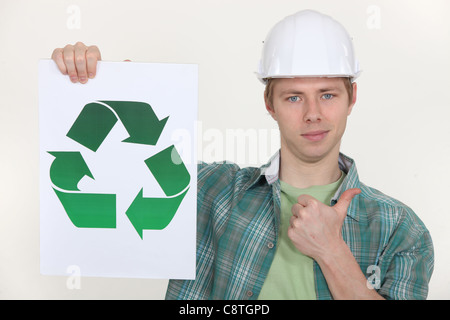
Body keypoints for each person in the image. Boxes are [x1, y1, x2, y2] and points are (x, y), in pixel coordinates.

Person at [51, 10, 434, 300]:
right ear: (269, 103)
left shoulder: (401, 230)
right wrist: (108, 84)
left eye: (328, 94)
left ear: (353, 97)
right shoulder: (210, 191)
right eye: (294, 96)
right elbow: (121, 168)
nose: (313, 113)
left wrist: (332, 252)